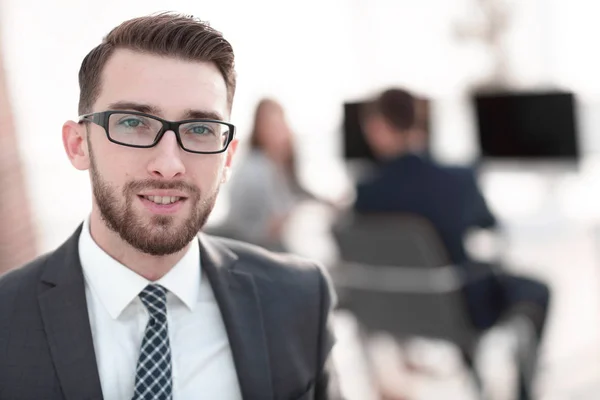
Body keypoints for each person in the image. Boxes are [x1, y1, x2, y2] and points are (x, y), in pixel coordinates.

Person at [0, 13, 339, 400]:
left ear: (227, 160)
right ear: (78, 145)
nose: (169, 164)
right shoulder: (6, 319)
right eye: (133, 123)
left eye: (199, 130)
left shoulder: (299, 298)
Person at [353, 87, 550, 400]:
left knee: (453, 282)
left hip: (396, 311)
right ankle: (523, 393)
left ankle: (478, 379)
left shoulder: (364, 194)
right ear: (417, 121)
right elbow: (490, 228)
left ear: (376, 128)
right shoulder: (456, 180)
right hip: (462, 308)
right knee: (537, 289)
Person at [221, 99, 308, 251]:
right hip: (257, 247)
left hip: (272, 242)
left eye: (281, 124)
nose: (280, 132)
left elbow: (298, 190)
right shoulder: (255, 168)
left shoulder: (277, 162)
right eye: (272, 126)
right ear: (260, 129)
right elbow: (248, 228)